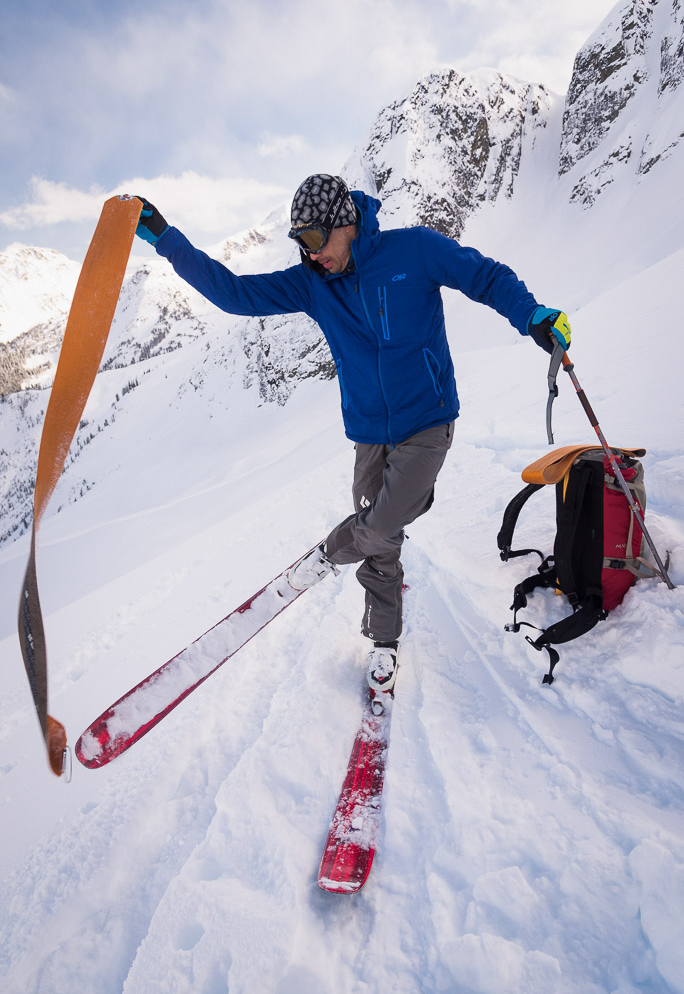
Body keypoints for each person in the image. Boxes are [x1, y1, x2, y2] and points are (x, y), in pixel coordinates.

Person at [133, 175, 570, 706]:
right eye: (300, 243)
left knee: (381, 523)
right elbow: (234, 294)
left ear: (346, 224)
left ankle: (325, 555)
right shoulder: (313, 283)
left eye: (315, 241)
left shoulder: (415, 249)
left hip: (427, 421)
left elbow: (485, 277)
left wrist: (532, 316)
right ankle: (384, 643)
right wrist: (162, 236)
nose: (310, 255)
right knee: (380, 542)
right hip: (368, 433)